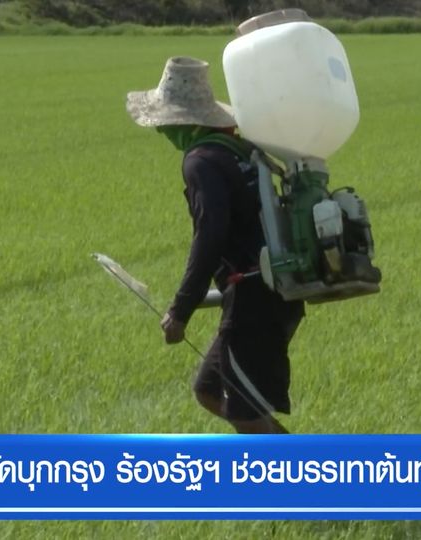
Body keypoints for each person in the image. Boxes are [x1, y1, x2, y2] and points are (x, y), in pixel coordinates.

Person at [125, 56, 305, 434]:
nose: (162, 131)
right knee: (208, 390)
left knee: (245, 414)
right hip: (272, 288)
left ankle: (312, 471)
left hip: (254, 297)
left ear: (184, 122)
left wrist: (181, 310)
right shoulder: (237, 150)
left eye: (166, 123)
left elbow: (210, 234)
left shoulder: (201, 161)